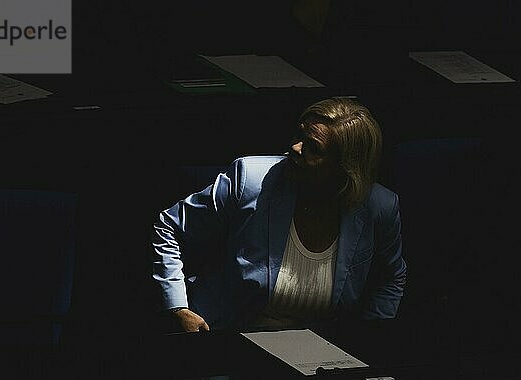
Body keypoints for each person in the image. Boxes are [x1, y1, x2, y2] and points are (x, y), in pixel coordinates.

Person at [150, 97, 406, 333]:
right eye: (299, 136)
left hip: (320, 350)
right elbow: (168, 227)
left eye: (313, 148)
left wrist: (373, 335)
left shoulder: (378, 206)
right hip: (231, 334)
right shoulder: (250, 178)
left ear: (345, 167)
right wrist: (178, 308)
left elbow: (391, 277)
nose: (295, 148)